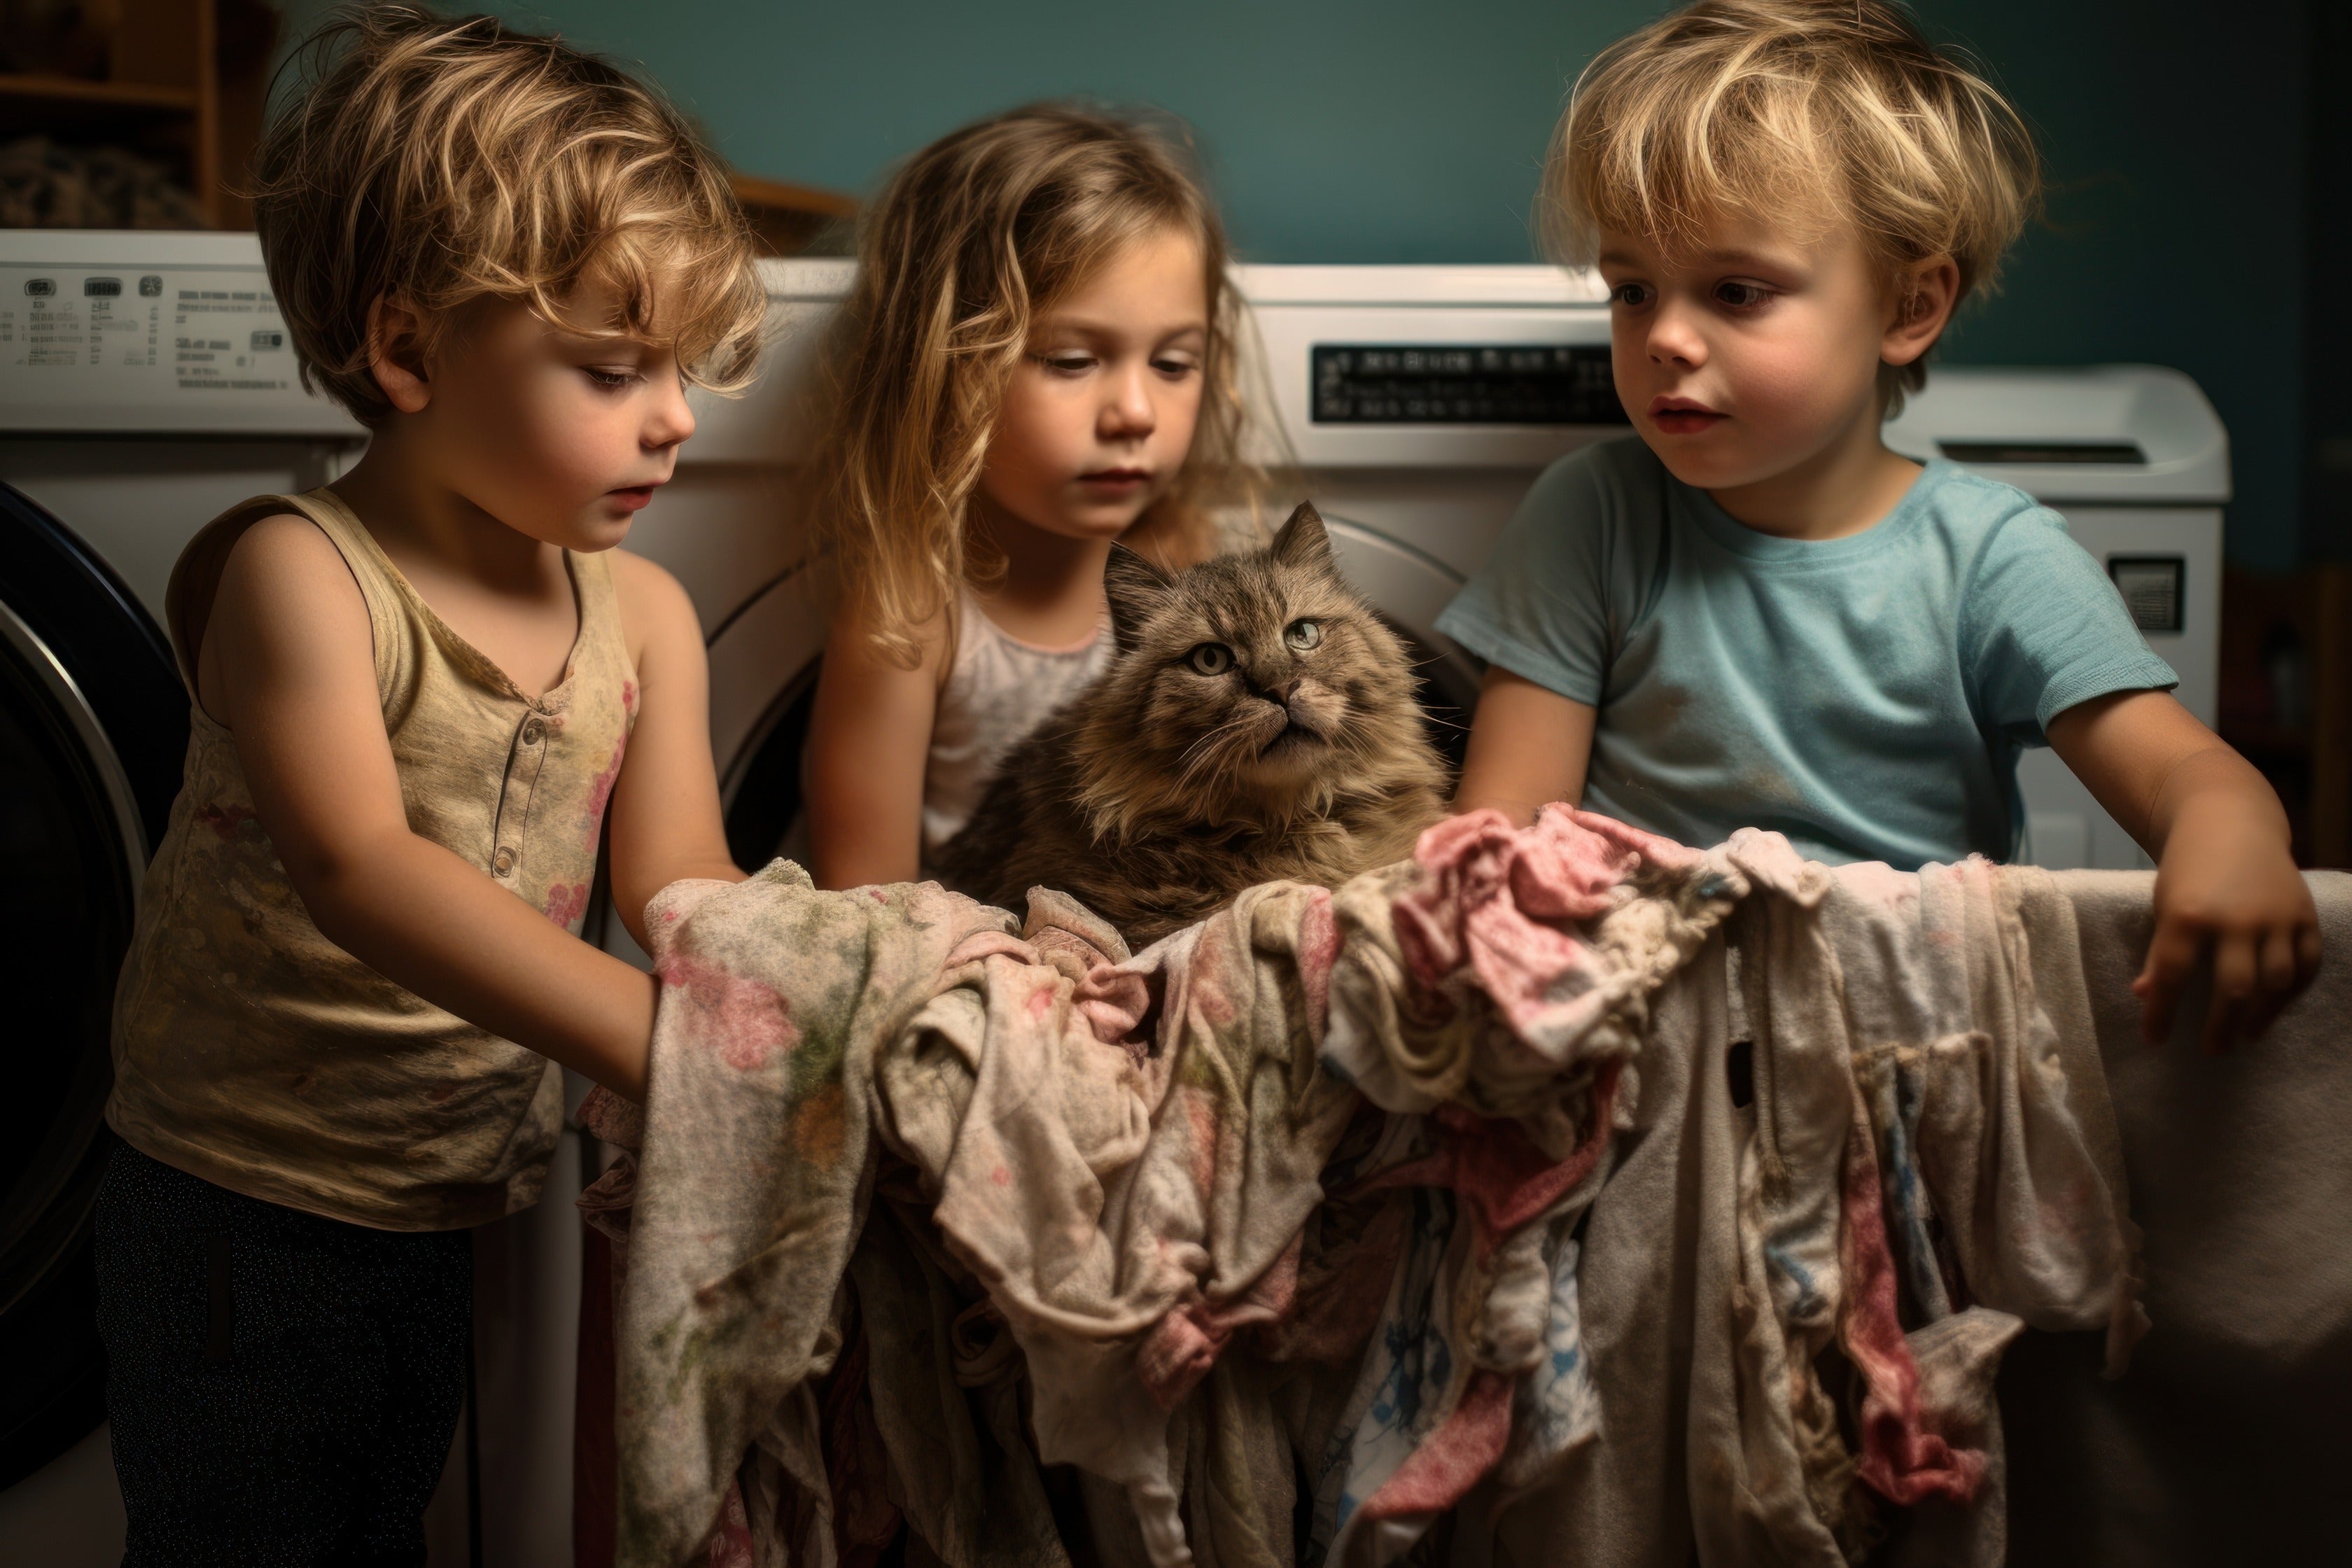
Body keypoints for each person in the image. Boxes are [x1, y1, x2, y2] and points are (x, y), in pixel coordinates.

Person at [93, 10, 763, 1562]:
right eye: (613, 368)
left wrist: (841, 1000)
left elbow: (683, 883)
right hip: (234, 1196)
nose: (673, 417)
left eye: (685, 369)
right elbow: (360, 869)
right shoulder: (301, 576)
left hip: (454, 1193)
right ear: (407, 352)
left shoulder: (645, 614)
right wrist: (664, 1047)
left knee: (375, 1523)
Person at [1442, 0, 2318, 1049]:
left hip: (1908, 1041)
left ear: (1910, 308)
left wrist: (2229, 831)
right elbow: (1498, 842)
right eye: (1632, 290)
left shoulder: (1988, 557)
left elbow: (2186, 772)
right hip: (1647, 1034)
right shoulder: (1595, 514)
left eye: (1735, 290)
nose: (1666, 336)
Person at [804, 103, 1259, 888]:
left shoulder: (1189, 567)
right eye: (1073, 359)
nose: (1136, 413)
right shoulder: (916, 616)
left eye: (1174, 364)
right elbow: (866, 899)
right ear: (946, 367)